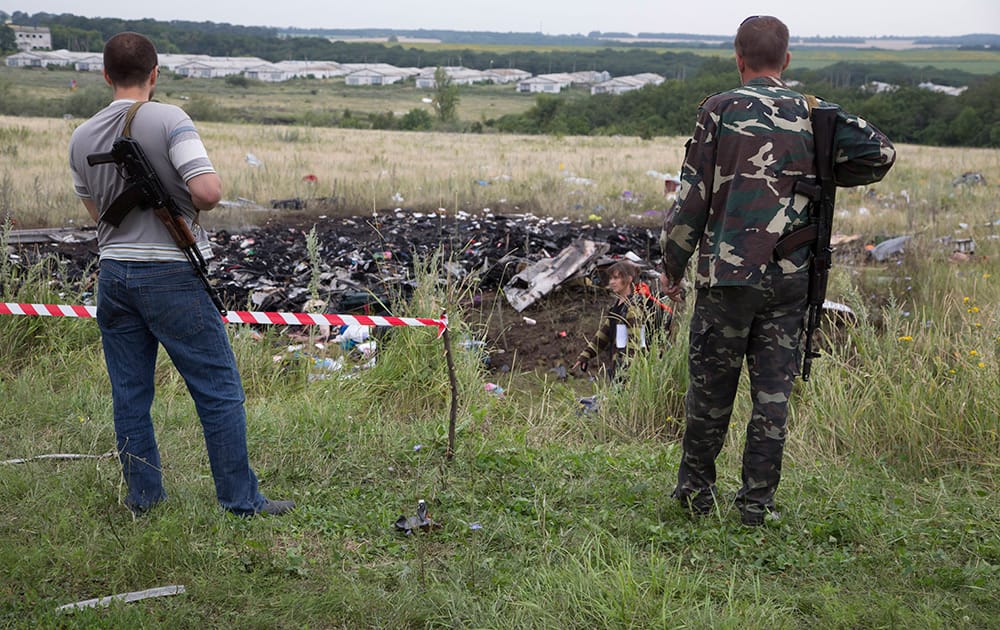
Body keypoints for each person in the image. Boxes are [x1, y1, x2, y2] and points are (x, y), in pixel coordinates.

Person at [659, 16, 895, 526]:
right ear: (786, 61)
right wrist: (828, 168)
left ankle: (695, 496)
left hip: (727, 277)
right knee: (772, 398)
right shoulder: (813, 115)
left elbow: (692, 198)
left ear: (737, 58)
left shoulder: (718, 110)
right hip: (790, 278)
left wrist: (672, 266)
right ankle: (755, 506)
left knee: (710, 391)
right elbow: (881, 153)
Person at [68, 32, 294, 517]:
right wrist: (175, 204)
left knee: (130, 393)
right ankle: (240, 501)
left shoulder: (81, 135)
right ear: (155, 73)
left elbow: (97, 214)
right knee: (219, 390)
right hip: (171, 274)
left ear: (105, 75)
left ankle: (143, 500)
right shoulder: (170, 118)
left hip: (114, 274)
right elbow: (209, 191)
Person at [572, 260, 673, 381]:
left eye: (616, 278)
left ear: (629, 279)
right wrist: (586, 355)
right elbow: (604, 333)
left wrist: (626, 373)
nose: (611, 282)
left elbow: (634, 343)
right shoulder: (618, 306)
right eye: (611, 278)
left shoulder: (633, 308)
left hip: (629, 372)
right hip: (618, 367)